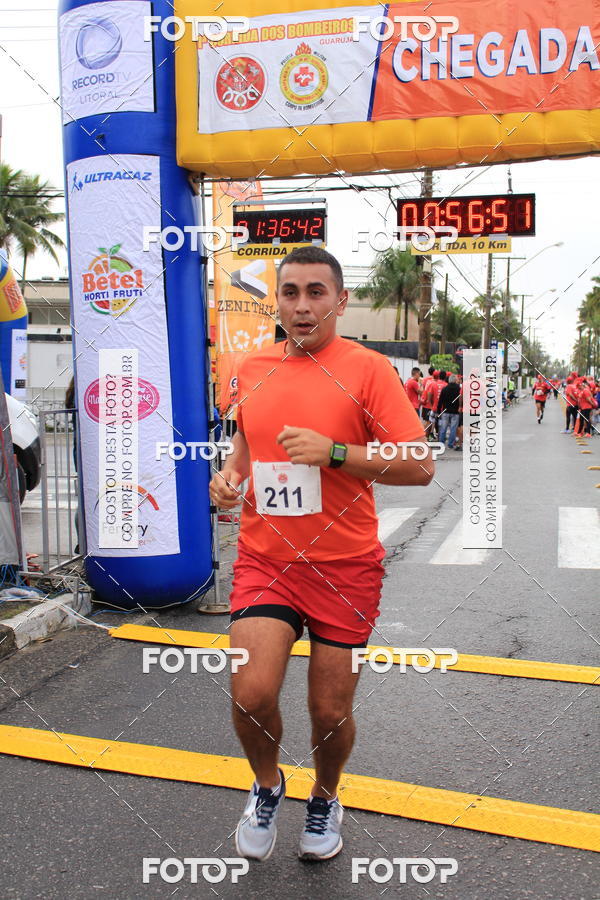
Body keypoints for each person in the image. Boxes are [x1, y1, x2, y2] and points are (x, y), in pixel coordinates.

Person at [209, 246, 434, 863]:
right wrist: (228, 477)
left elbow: (420, 466)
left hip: (344, 566)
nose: (302, 305)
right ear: (276, 301)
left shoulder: (367, 370)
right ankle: (266, 784)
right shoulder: (251, 366)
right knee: (251, 694)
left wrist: (335, 452)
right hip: (266, 561)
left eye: (315, 292)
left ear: (338, 300)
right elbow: (246, 445)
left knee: (328, 709)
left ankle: (326, 795)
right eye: (290, 293)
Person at [436, 374, 460, 450]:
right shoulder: (459, 389)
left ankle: (441, 443)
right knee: (453, 428)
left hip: (445, 411)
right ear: (455, 380)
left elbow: (440, 401)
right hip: (455, 412)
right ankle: (450, 444)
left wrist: (439, 411)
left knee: (443, 428)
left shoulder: (444, 389)